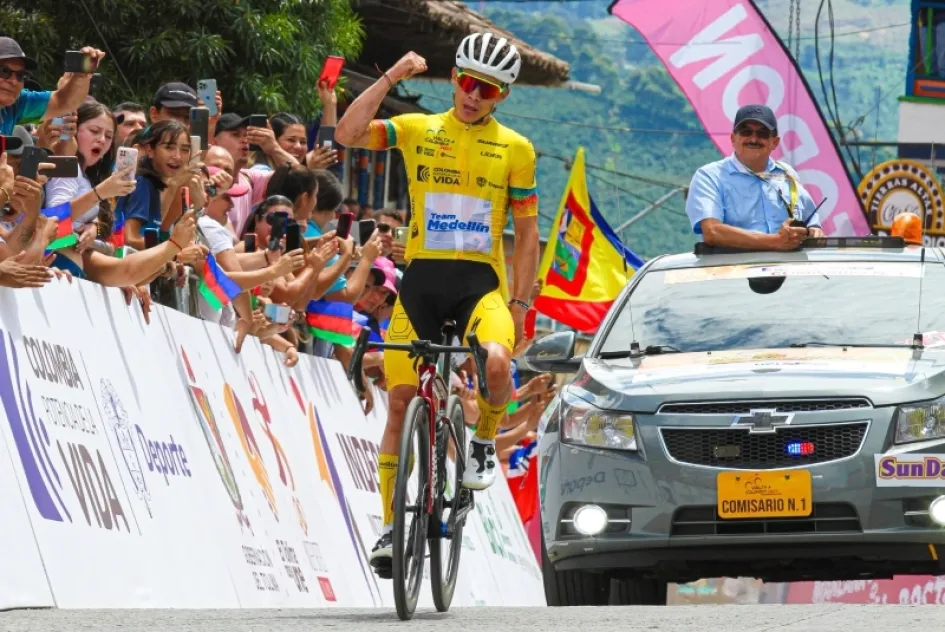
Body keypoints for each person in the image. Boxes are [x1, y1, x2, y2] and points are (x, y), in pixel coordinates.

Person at [336, 32, 541, 574]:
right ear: (454, 78)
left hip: (481, 286)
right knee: (401, 401)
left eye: (489, 91)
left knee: (497, 363)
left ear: (502, 98)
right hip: (422, 281)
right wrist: (390, 78)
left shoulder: (516, 149)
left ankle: (481, 442)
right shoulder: (418, 129)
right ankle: (388, 528)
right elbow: (347, 133)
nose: (475, 96)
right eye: (470, 83)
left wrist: (520, 305)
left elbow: (526, 233)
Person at [685, 104, 826, 251]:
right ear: (733, 138)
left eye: (763, 134)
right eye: (746, 132)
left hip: (788, 269)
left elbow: (812, 223)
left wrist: (812, 231)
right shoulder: (709, 176)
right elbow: (712, 232)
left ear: (775, 142)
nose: (753, 139)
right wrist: (775, 242)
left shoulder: (787, 174)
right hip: (731, 271)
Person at [0, 37, 104, 135]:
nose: (13, 81)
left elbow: (63, 103)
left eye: (20, 75)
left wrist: (82, 74)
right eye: (4, 71)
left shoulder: (16, 105)